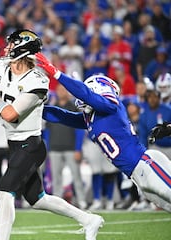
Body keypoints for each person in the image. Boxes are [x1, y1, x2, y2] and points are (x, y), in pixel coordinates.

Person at [0, 23, 104, 240]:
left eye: (12, 43)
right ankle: (88, 219)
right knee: (38, 199)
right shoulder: (4, 67)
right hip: (15, 144)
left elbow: (10, 114)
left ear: (23, 49)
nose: (7, 47)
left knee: (4, 192)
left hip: (31, 145)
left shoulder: (37, 80)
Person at [36, 52, 171, 213]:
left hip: (145, 164)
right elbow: (63, 116)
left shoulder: (110, 106)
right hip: (137, 174)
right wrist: (35, 108)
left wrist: (55, 73)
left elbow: (85, 94)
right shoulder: (92, 117)